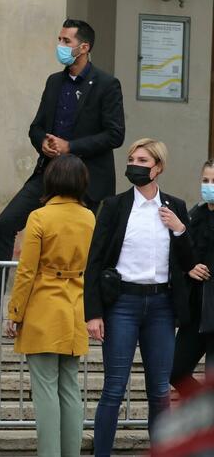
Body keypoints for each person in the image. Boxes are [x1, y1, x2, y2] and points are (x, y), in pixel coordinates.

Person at [0, 19, 125, 324]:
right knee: (6, 222)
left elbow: (115, 135)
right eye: (60, 39)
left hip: (85, 180)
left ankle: (89, 311)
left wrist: (71, 146)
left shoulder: (106, 84)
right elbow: (36, 127)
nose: (61, 46)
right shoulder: (54, 82)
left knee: (88, 243)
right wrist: (44, 143)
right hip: (48, 173)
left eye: (66, 41)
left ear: (84, 47)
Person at [84, 138, 195, 457]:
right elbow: (95, 260)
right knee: (114, 389)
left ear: (158, 168)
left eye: (143, 160)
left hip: (161, 306)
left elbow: (189, 262)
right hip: (122, 304)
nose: (134, 164)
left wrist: (179, 230)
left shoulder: (175, 207)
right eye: (132, 158)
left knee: (160, 391)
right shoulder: (115, 206)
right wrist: (93, 312)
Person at [4, 154, 94, 457]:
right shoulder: (89, 217)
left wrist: (14, 312)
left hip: (43, 308)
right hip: (75, 308)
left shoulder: (40, 217)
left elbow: (26, 271)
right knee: (69, 390)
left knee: (45, 392)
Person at [170, 159, 214, 396]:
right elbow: (179, 256)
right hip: (195, 313)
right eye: (205, 180)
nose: (209, 186)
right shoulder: (193, 216)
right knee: (175, 371)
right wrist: (189, 268)